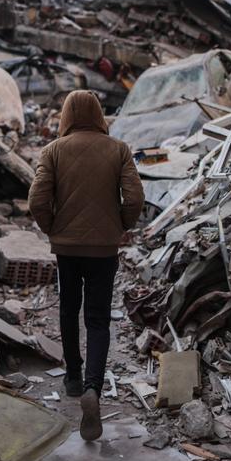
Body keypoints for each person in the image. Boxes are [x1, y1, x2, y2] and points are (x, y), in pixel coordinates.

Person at [28, 90, 144, 441]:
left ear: (65, 115)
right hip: (103, 250)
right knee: (97, 318)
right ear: (97, 114)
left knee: (68, 309)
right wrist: (121, 225)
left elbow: (37, 199)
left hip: (67, 248)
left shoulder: (53, 151)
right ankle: (94, 386)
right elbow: (135, 197)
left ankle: (74, 378)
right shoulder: (119, 149)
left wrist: (52, 228)